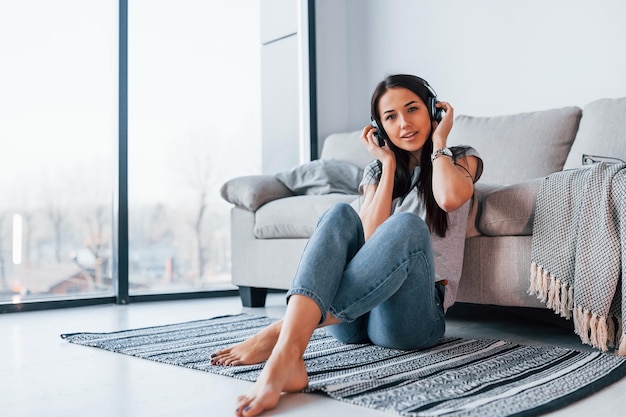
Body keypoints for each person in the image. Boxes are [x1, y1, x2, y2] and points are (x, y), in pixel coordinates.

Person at [210, 74, 483, 417]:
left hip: (410, 322)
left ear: (433, 111)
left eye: (413, 109)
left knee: (407, 225)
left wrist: (440, 140)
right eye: (391, 117)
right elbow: (369, 235)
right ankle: (290, 353)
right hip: (352, 324)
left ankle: (282, 341)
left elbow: (449, 197)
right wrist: (386, 166)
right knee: (339, 213)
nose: (404, 124)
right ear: (380, 128)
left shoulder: (458, 158)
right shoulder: (376, 170)